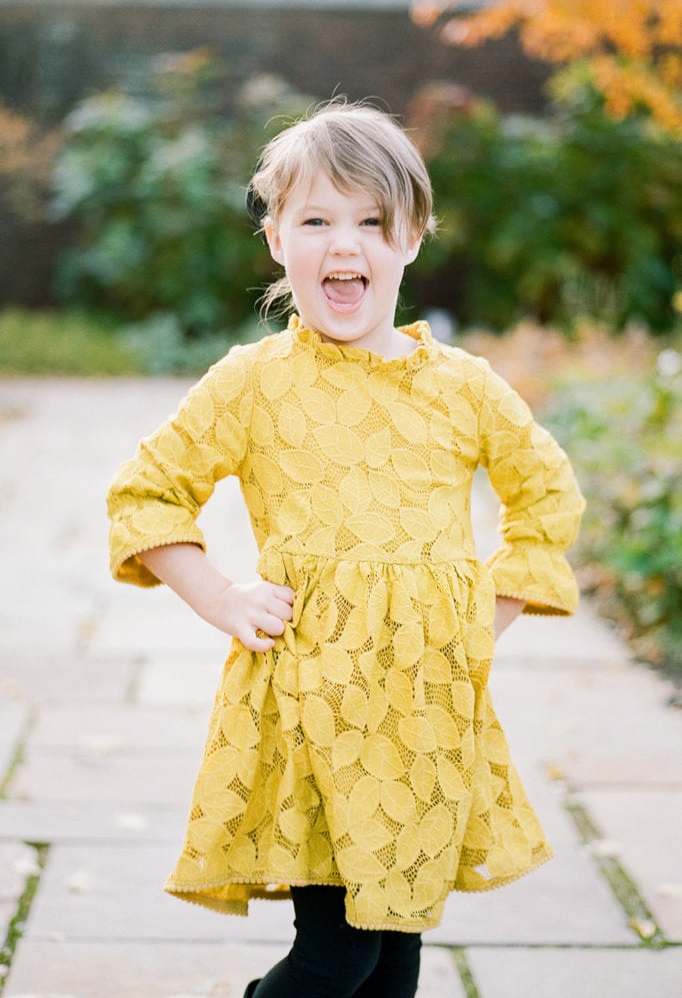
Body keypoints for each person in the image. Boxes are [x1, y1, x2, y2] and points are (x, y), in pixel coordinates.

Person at [107, 99, 585, 998]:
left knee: (394, 961)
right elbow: (146, 490)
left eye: (372, 222)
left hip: (425, 714)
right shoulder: (255, 383)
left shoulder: (464, 389)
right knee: (338, 955)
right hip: (311, 711)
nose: (345, 244)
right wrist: (222, 598)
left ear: (412, 238)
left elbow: (548, 492)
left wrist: (493, 610)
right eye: (316, 220)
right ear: (276, 237)